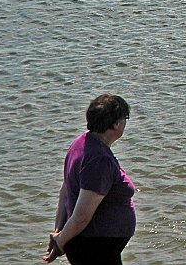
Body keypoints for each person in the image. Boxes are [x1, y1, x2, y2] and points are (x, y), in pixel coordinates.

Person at [43, 95, 136, 265]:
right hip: (94, 247)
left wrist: (59, 232)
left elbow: (65, 191)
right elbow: (82, 216)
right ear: (116, 124)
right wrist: (61, 241)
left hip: (94, 246)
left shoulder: (82, 143)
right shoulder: (99, 159)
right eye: (125, 119)